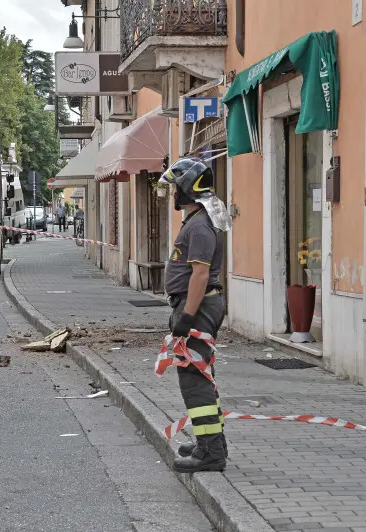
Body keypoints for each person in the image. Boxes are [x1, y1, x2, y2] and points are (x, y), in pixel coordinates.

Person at [160, 156, 232, 474]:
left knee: (194, 380)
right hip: (199, 307)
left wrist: (187, 316)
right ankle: (208, 444)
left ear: (189, 188)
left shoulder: (201, 226)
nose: (173, 193)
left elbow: (200, 275)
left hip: (199, 309)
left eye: (177, 186)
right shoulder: (198, 221)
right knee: (200, 377)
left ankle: (212, 454)